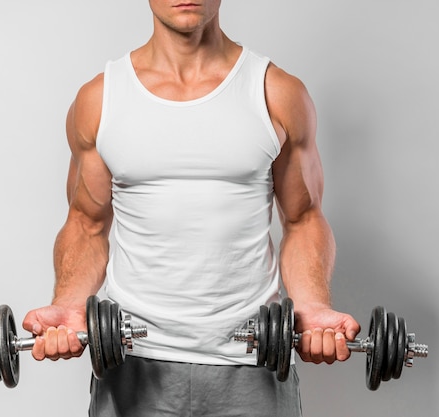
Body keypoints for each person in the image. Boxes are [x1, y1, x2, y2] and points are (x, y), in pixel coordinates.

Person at [23, 1, 361, 415]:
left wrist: (312, 306)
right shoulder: (101, 100)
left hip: (252, 363)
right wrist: (69, 303)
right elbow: (85, 224)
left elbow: (304, 218)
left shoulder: (276, 93)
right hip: (132, 363)